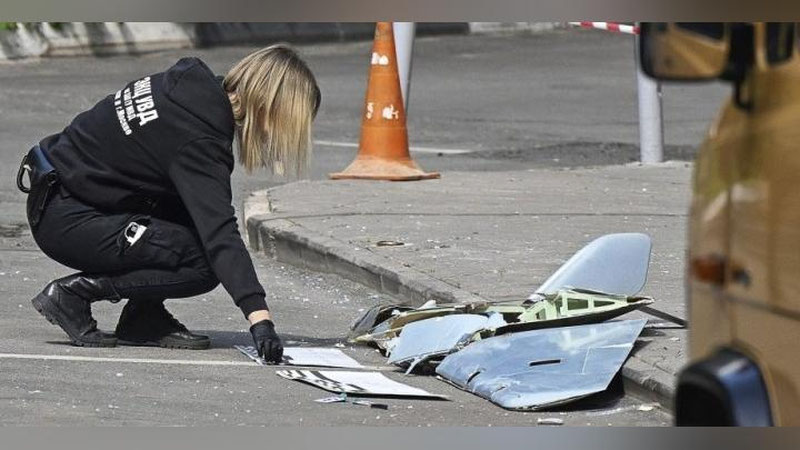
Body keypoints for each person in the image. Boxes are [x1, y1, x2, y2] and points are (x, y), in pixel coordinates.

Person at [15, 44, 321, 363]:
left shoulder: (186, 86)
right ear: (271, 108)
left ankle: (143, 319)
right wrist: (260, 319)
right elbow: (219, 233)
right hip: (67, 218)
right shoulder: (199, 137)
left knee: (188, 211)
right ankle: (74, 294)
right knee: (202, 263)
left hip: (59, 195)